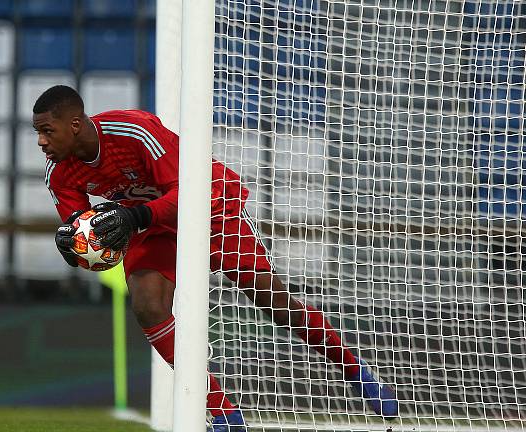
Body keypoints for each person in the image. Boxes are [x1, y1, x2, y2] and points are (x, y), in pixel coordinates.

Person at [34, 85, 398, 431]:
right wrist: (77, 250)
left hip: (210, 208)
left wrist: (134, 217)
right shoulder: (59, 172)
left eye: (48, 131)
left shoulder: (133, 129)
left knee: (274, 303)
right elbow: (83, 231)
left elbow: (188, 191)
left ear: (76, 124)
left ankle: (351, 367)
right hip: (152, 225)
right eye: (38, 133)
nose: (41, 141)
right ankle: (223, 414)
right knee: (148, 305)